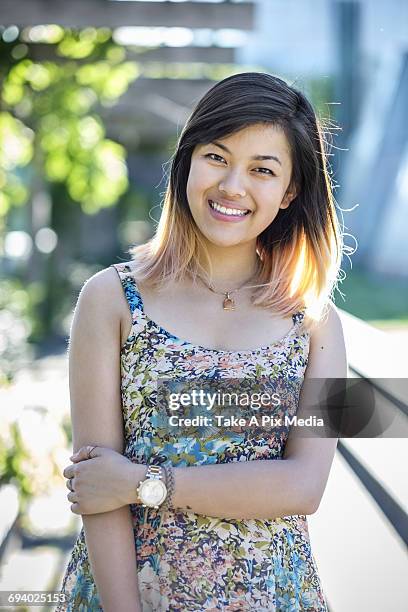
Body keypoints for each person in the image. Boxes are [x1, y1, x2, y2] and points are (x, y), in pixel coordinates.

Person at [59, 72, 347, 611]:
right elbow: (98, 487)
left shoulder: (318, 323)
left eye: (262, 169)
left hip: (272, 596)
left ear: (289, 192)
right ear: (188, 160)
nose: (233, 186)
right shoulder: (112, 299)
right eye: (217, 156)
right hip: (127, 593)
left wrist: (148, 483)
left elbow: (305, 486)